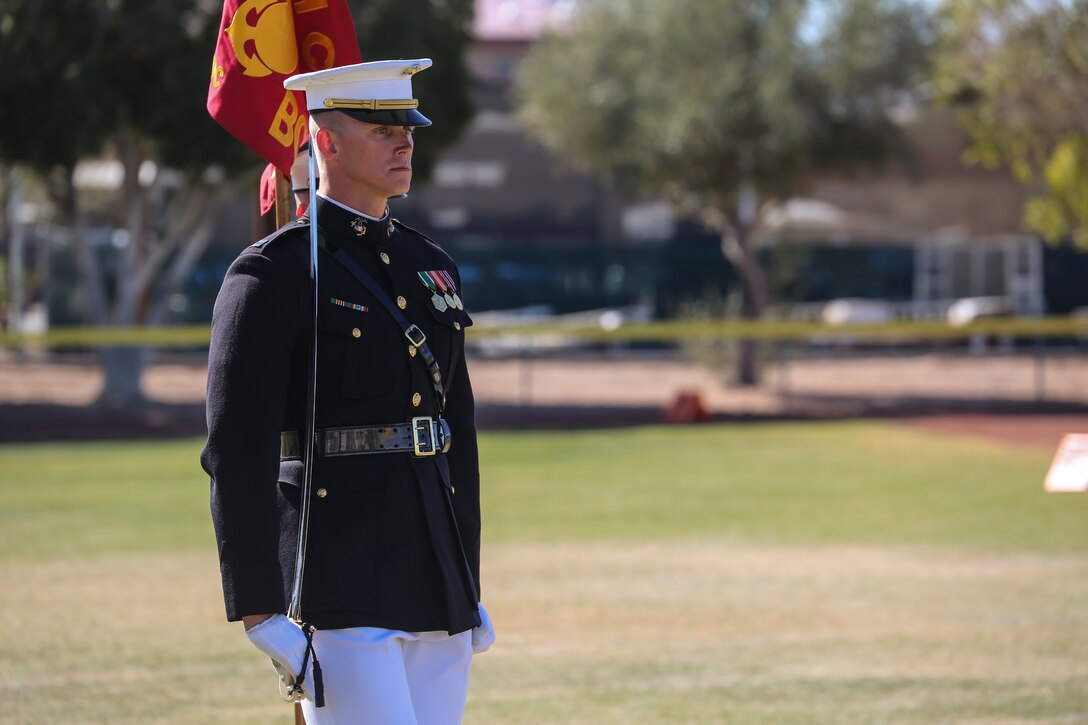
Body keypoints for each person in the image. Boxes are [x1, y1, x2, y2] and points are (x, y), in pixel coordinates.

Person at [201, 58, 494, 724]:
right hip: (338, 576)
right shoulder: (271, 275)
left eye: (408, 126)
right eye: (381, 126)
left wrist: (467, 574)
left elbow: (456, 433)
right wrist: (259, 607)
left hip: (434, 573)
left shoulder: (430, 266)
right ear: (325, 140)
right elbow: (236, 453)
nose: (404, 140)